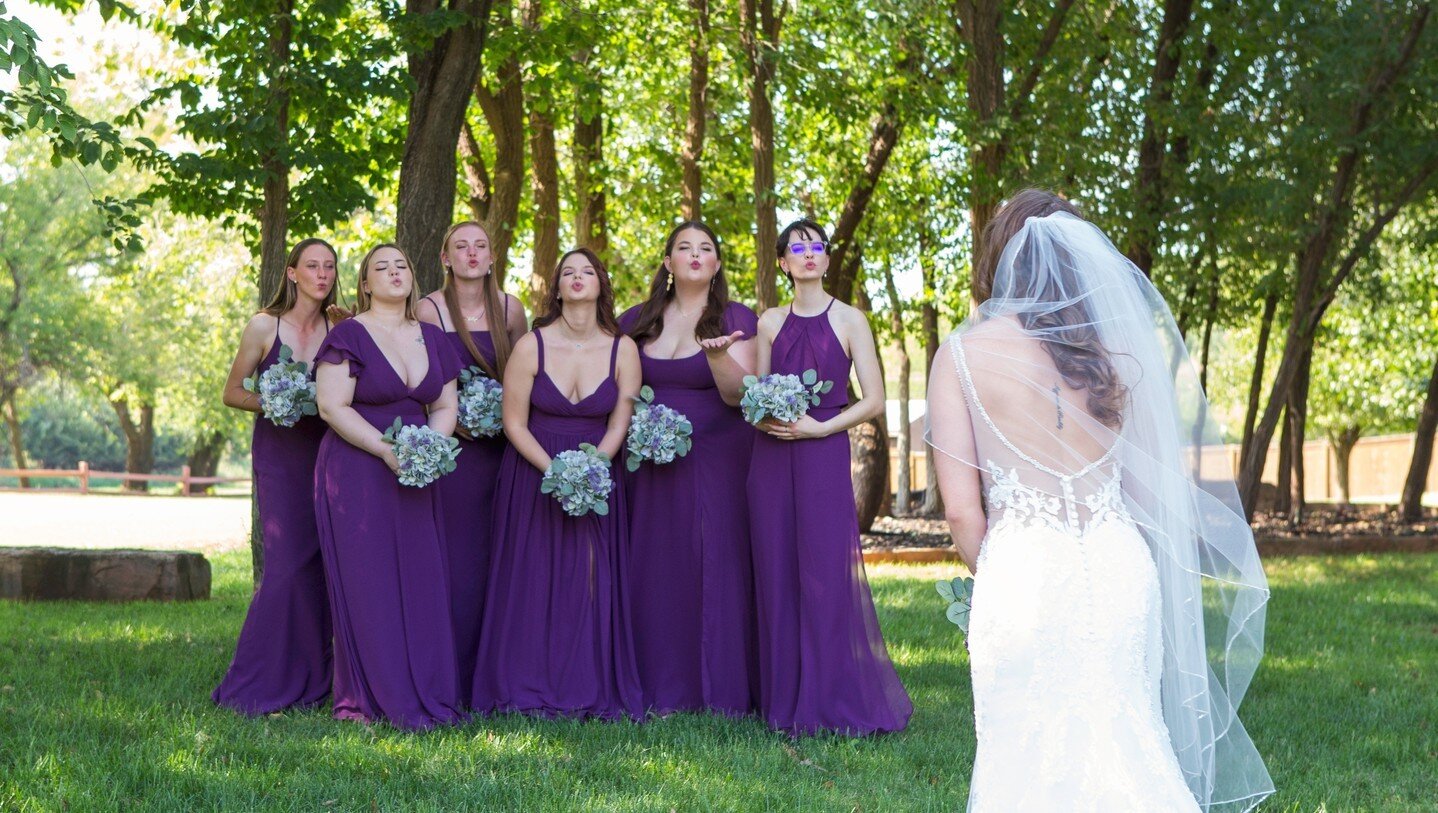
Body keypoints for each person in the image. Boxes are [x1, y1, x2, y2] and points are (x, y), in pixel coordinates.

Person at [926, 189, 1273, 811]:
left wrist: (998, 573)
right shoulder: (1112, 357)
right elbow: (1148, 493)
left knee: (1025, 747)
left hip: (1024, 570)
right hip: (1118, 565)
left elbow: (960, 511)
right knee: (1130, 735)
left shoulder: (960, 356)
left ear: (1000, 259)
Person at [746, 219, 913, 736]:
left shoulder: (850, 320)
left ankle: (830, 697)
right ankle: (782, 701)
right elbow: (755, 396)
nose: (809, 254)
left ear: (826, 257)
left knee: (823, 574)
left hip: (821, 454)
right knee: (777, 570)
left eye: (816, 246)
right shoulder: (769, 322)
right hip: (771, 458)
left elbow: (874, 399)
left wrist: (821, 428)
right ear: (783, 263)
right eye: (798, 248)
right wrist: (768, 413)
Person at [472, 247, 644, 721]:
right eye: (568, 271)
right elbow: (514, 423)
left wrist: (589, 472)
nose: (577, 277)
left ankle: (584, 686)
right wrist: (555, 471)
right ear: (557, 287)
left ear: (601, 284)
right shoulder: (532, 345)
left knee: (590, 579)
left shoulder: (622, 348)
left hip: (596, 475)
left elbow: (619, 424)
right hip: (532, 473)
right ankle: (523, 685)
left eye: (587, 271)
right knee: (531, 577)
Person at [312, 243, 465, 730]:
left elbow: (443, 406)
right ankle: (369, 697)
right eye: (382, 267)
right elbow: (333, 407)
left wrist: (428, 451)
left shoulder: (434, 338)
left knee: (421, 578)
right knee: (369, 581)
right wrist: (385, 449)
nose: (395, 272)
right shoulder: (349, 335)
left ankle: (426, 688)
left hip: (416, 473)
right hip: (358, 468)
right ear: (365, 284)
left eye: (402, 265)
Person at [619, 221, 760, 716]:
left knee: (712, 563)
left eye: (706, 249)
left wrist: (720, 358)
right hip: (648, 466)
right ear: (667, 263)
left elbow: (741, 395)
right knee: (654, 565)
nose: (696, 255)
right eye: (684, 247)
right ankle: (655, 684)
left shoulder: (736, 316)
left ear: (718, 265)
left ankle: (716, 689)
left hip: (717, 460)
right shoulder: (635, 320)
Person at [213, 238, 337, 715]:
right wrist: (276, 401)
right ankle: (257, 680)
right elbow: (231, 393)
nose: (322, 275)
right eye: (312, 266)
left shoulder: (341, 325)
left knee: (323, 563)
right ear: (291, 273)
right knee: (285, 565)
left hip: (329, 451)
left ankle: (315, 675)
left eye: (329, 267)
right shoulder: (265, 325)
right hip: (280, 454)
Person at [418, 221, 527, 705]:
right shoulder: (430, 309)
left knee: (497, 559)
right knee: (456, 561)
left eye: (481, 245)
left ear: (491, 255)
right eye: (461, 246)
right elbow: (418, 377)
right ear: (445, 258)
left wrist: (502, 416)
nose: (471, 253)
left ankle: (495, 677)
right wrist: (451, 419)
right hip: (454, 453)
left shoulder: (511, 309)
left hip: (503, 452)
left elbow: (525, 377)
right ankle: (451, 676)